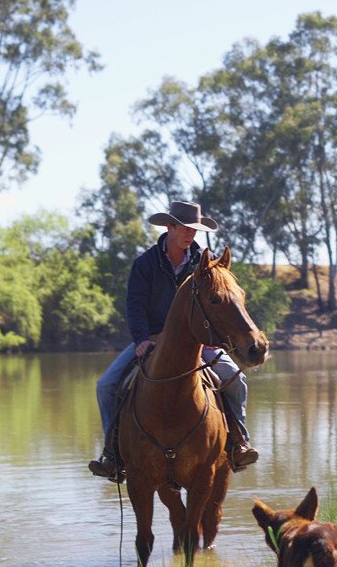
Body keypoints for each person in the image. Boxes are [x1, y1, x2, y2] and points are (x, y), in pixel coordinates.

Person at [88, 201, 258, 482]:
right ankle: (112, 454)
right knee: (106, 386)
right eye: (185, 228)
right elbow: (135, 306)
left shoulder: (206, 263)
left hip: (199, 342)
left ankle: (238, 442)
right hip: (153, 339)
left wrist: (213, 338)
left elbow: (221, 304)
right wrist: (141, 339)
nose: (191, 234)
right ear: (170, 227)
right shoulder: (145, 264)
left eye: (195, 229)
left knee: (236, 380)